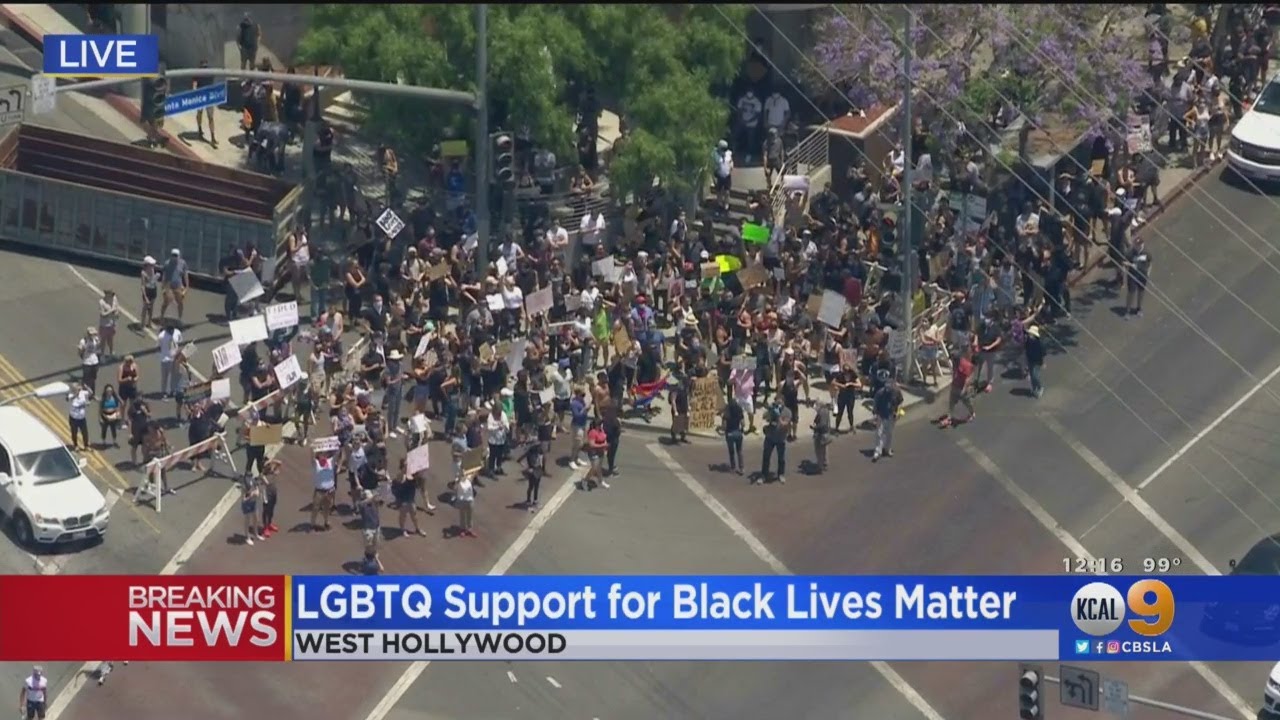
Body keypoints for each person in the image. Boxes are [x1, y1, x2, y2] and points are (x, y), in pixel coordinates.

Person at [938, 348, 976, 429]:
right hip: (955, 386)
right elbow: (955, 373)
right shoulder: (955, 363)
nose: (951, 361)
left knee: (967, 402)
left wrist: (965, 388)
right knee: (951, 402)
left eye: (953, 359)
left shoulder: (965, 365)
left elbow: (969, 376)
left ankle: (972, 413)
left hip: (962, 387)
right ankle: (949, 417)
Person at [757, 401, 791, 485]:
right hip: (770, 437)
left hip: (780, 438)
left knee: (781, 458)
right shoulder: (773, 409)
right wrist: (770, 411)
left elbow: (785, 424)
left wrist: (778, 416)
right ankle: (764, 475)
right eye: (777, 402)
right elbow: (764, 417)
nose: (778, 404)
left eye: (780, 402)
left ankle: (781, 474)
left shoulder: (787, 412)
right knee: (766, 457)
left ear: (783, 402)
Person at [392, 457, 426, 536]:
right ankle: (402, 529)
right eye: (405, 465)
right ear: (402, 466)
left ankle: (417, 528)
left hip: (411, 497)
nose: (408, 466)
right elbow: (398, 483)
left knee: (414, 514)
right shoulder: (401, 475)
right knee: (403, 515)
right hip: (403, 498)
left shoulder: (413, 473)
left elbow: (417, 482)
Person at [872, 377, 904, 461]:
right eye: (887, 387)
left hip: (891, 415)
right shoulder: (880, 393)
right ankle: (878, 451)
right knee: (879, 433)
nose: (888, 389)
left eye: (890, 387)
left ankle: (887, 449)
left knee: (889, 433)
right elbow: (875, 404)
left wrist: (898, 412)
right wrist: (875, 415)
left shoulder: (896, 392)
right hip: (881, 415)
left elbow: (900, 402)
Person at [1124, 236, 1152, 319]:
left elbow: (1150, 263)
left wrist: (1148, 273)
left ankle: (1139, 308)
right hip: (1133, 275)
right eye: (1136, 245)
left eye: (1139, 245)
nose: (1138, 246)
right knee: (1131, 293)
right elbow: (1124, 261)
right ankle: (1128, 310)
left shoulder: (1146, 253)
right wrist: (1130, 265)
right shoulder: (1130, 253)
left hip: (1142, 275)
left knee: (1141, 292)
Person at [159, 248, 189, 324]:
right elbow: (164, 275)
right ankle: (161, 317)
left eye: (176, 255)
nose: (174, 257)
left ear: (179, 256)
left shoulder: (183, 263)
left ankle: (179, 319)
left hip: (178, 285)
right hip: (168, 286)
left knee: (180, 303)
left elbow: (185, 275)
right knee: (166, 302)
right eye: (173, 255)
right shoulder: (167, 263)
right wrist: (163, 287)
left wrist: (186, 287)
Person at [721, 395, 745, 476]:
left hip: (730, 433)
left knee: (731, 452)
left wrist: (724, 431)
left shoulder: (727, 412)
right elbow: (743, 423)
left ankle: (733, 467)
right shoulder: (739, 410)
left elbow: (724, 425)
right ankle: (741, 468)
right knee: (739, 451)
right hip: (738, 433)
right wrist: (741, 430)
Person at [67, 381, 91, 452]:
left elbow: (90, 393)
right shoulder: (71, 395)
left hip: (82, 418)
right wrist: (76, 394)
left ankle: (86, 446)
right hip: (74, 418)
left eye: (77, 387)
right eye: (74, 388)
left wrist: (87, 388)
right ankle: (75, 445)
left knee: (85, 432)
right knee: (74, 432)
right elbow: (69, 399)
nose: (76, 388)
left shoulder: (83, 393)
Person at [78, 326, 101, 395]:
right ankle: (84, 394)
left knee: (93, 379)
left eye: (94, 334)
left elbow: (98, 349)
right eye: (91, 334)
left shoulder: (96, 339)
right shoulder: (83, 341)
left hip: (94, 361)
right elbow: (80, 353)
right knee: (86, 380)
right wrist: (82, 349)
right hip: (87, 362)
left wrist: (99, 344)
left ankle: (92, 394)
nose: (93, 336)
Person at [453, 470, 476, 538]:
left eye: (464, 474)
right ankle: (462, 529)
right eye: (462, 474)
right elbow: (454, 488)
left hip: (470, 500)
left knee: (470, 515)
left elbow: (475, 473)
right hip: (462, 501)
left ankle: (469, 529)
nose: (463, 475)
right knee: (462, 515)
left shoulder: (469, 479)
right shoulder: (458, 481)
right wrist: (458, 480)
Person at [1025, 325, 1046, 399]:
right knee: (1031, 375)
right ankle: (1034, 388)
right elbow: (1026, 350)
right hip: (1030, 360)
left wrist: (1043, 362)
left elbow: (1042, 353)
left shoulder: (1039, 343)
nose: (1029, 335)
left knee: (1035, 376)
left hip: (1037, 361)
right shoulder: (1028, 341)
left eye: (1031, 334)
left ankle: (1040, 387)